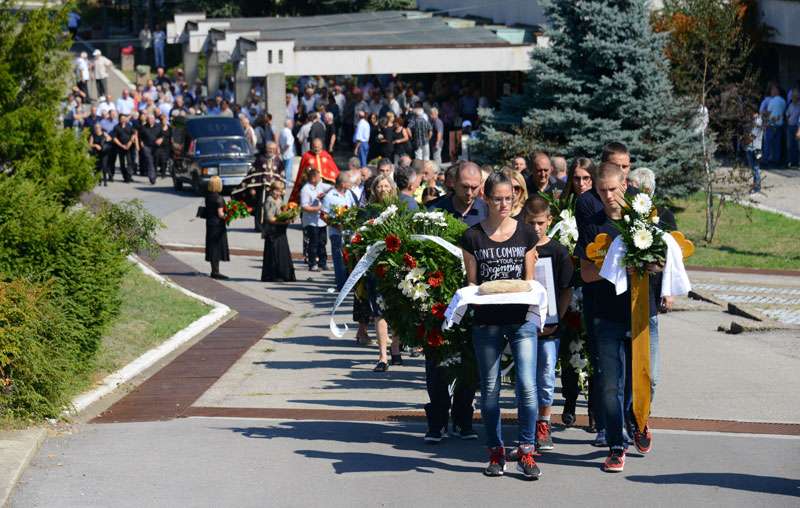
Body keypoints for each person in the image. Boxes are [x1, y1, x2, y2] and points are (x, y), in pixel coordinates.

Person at [575, 162, 663, 473]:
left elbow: (662, 259)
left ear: (625, 184)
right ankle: (616, 445)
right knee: (612, 384)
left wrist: (653, 266)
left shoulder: (644, 220)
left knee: (648, 378)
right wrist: (615, 267)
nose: (609, 196)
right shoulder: (592, 226)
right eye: (602, 191)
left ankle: (637, 418)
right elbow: (586, 273)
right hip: (607, 315)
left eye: (613, 189)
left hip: (643, 313)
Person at [460, 170, 541, 479]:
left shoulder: (526, 234)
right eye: (497, 199)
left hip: (520, 320)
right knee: (490, 389)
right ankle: (495, 451)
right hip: (487, 322)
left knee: (527, 386)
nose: (504, 204)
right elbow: (472, 282)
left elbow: (529, 281)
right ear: (485, 197)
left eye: (509, 198)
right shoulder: (472, 236)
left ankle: (527, 451)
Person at [423, 162, 486, 444]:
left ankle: (463, 419)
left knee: (469, 359)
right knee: (437, 361)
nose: (469, 192)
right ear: (453, 183)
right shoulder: (434, 210)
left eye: (474, 187)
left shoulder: (486, 211)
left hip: (475, 299)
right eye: (464, 187)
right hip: (440, 299)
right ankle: (437, 422)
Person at [522, 196, 574, 451]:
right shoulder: (519, 249)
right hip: (523, 326)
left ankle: (544, 423)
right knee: (525, 377)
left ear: (549, 221)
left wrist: (556, 320)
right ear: (523, 220)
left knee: (545, 375)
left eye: (540, 223)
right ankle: (527, 424)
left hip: (550, 329)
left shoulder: (558, 252)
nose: (536, 228)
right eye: (531, 222)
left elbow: (566, 291)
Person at [365, 174, 402, 371]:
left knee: (395, 309)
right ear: (374, 190)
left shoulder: (399, 209)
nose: (383, 189)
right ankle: (382, 357)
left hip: (395, 265)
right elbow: (361, 236)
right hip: (375, 267)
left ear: (392, 188)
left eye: (386, 185)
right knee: (378, 310)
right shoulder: (368, 211)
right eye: (379, 186)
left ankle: (395, 348)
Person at [322, 172, 356, 291]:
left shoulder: (348, 194)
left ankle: (349, 284)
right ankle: (341, 284)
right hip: (337, 233)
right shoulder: (330, 196)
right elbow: (323, 215)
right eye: (348, 182)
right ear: (342, 183)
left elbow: (353, 207)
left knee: (349, 258)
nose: (350, 184)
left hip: (349, 232)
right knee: (339, 259)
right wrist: (336, 225)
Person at [261, 181, 297, 283]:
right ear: (271, 190)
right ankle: (275, 275)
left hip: (281, 231)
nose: (278, 193)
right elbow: (270, 218)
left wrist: (290, 217)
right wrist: (282, 221)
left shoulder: (280, 199)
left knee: (282, 252)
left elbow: (283, 213)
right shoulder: (269, 201)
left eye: (280, 191)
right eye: (276, 190)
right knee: (275, 254)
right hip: (273, 231)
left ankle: (285, 274)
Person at [289, 138, 339, 205]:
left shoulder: (326, 155)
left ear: (321, 146)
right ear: (311, 146)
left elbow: (334, 171)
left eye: (318, 147)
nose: (317, 149)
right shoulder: (306, 156)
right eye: (315, 147)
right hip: (310, 184)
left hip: (325, 183)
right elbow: (301, 172)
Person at [300, 168, 332, 272]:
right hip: (311, 221)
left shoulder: (319, 185)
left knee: (322, 242)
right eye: (318, 177)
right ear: (313, 179)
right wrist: (318, 208)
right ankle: (312, 264)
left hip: (321, 221)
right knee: (313, 243)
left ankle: (323, 263)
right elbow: (304, 207)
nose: (320, 178)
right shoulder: (306, 190)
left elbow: (331, 187)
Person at [205, 176, 230, 280]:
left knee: (212, 246)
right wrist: (229, 215)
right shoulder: (219, 198)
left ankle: (213, 270)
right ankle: (216, 271)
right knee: (217, 247)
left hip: (210, 223)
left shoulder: (208, 196)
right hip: (218, 225)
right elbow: (220, 214)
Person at [763, 85, 787, 167]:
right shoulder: (783, 101)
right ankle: (776, 160)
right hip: (780, 124)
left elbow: (768, 113)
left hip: (771, 124)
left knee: (768, 143)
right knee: (777, 143)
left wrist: (766, 120)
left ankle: (765, 160)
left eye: (772, 91)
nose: (771, 93)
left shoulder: (772, 101)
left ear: (775, 92)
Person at [137, 113, 160, 184]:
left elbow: (162, 135)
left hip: (156, 147)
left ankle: (154, 174)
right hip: (146, 146)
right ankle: (152, 177)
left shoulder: (158, 127)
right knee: (150, 161)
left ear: (154, 120)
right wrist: (141, 142)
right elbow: (139, 136)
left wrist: (161, 139)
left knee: (155, 161)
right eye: (149, 119)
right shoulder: (143, 127)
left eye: (151, 119)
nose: (150, 120)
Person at [112, 114, 136, 182]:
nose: (123, 120)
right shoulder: (116, 127)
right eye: (121, 119)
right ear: (119, 119)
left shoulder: (129, 126)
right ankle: (125, 176)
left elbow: (133, 134)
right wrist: (121, 145)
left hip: (129, 147)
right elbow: (114, 138)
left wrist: (130, 142)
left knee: (129, 162)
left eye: (124, 119)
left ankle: (129, 175)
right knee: (122, 162)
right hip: (120, 147)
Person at [279, 119, 295, 184]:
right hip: (289, 153)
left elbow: (279, 143)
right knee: (288, 168)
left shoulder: (282, 131)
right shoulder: (288, 132)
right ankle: (287, 180)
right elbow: (288, 143)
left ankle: (283, 179)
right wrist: (283, 150)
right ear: (289, 124)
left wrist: (282, 150)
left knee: (285, 167)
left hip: (284, 153)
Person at [154, 113, 171, 178]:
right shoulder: (158, 127)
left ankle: (163, 173)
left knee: (164, 160)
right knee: (157, 158)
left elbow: (170, 136)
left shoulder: (169, 128)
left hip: (166, 146)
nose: (164, 121)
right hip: (159, 146)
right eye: (162, 120)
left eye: (165, 120)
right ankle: (155, 172)